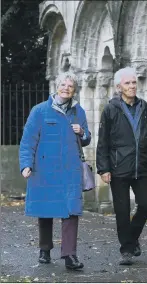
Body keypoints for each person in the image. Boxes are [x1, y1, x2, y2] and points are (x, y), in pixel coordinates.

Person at [19, 71, 91, 270]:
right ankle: (44, 249)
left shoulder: (79, 112)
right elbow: (28, 141)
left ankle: (70, 255)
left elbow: (87, 139)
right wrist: (26, 164)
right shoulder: (39, 111)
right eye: (63, 85)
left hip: (70, 170)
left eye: (70, 86)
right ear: (56, 87)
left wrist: (83, 132)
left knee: (71, 211)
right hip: (45, 169)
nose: (66, 88)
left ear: (74, 89)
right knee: (46, 209)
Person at [96, 67, 147, 265]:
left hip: (141, 166)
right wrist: (104, 168)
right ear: (118, 87)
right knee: (122, 210)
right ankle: (126, 250)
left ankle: (131, 239)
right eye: (127, 83)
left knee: (146, 205)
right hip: (118, 166)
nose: (132, 86)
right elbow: (103, 141)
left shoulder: (145, 108)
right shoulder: (110, 109)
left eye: (134, 82)